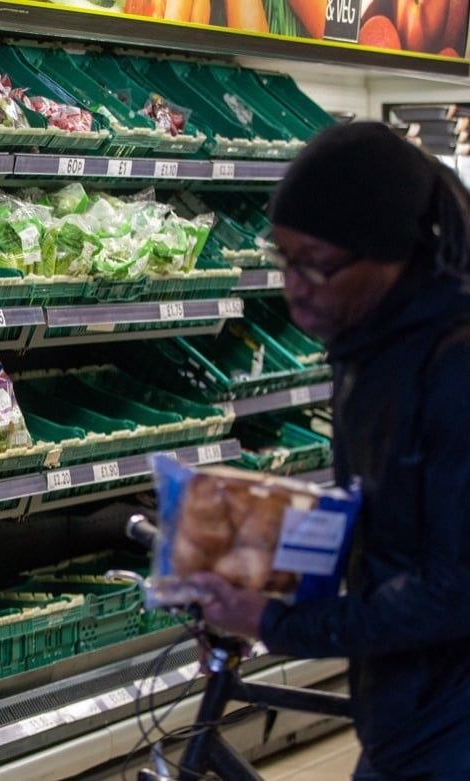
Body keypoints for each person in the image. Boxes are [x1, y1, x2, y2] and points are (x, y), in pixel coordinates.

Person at [189, 121, 470, 780]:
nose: (296, 286)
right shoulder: (367, 346)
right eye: (286, 260)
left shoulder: (456, 367)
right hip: (408, 711)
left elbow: (456, 586)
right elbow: (380, 515)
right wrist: (251, 566)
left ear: (392, 252)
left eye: (316, 262)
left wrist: (280, 623)